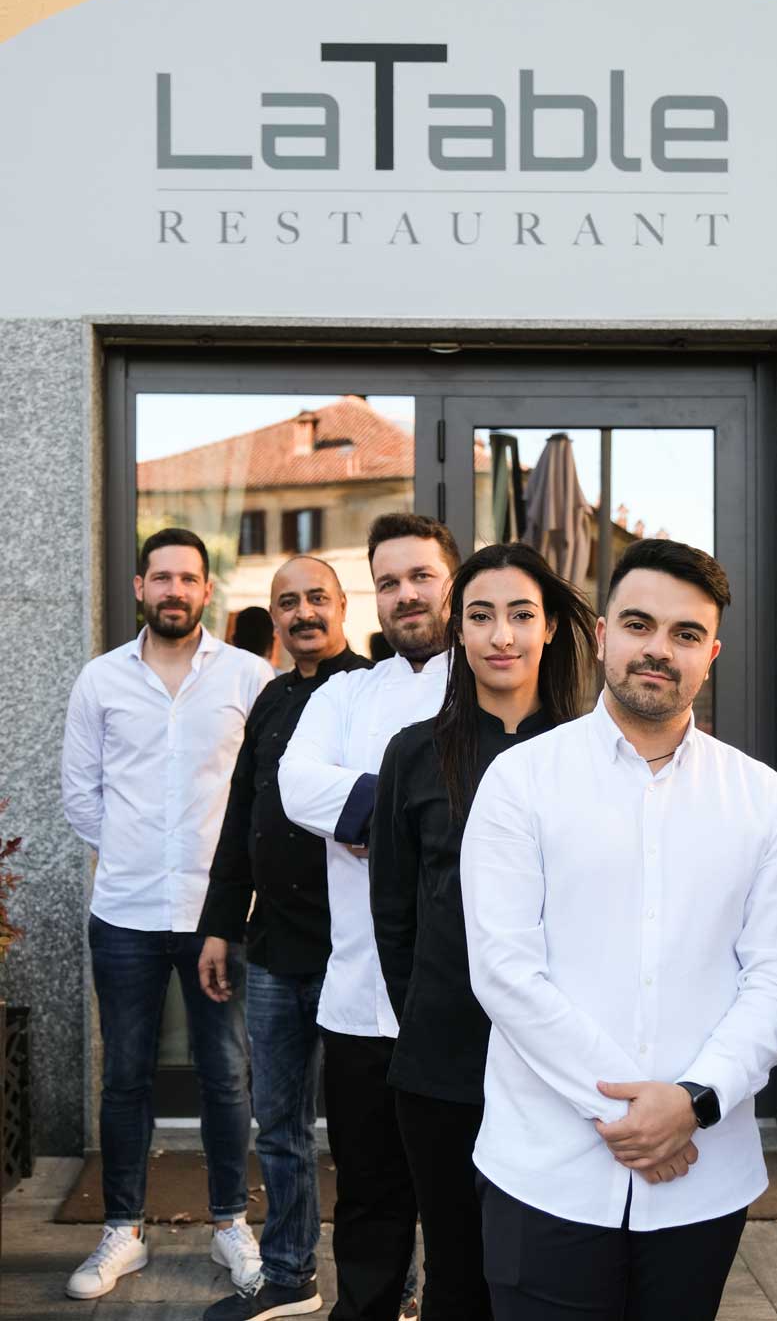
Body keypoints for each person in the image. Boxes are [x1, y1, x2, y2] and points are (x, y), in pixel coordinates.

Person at [460, 538, 777, 1321]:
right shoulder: (520, 782)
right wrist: (635, 1115)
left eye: (685, 634)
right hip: (546, 1171)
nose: (659, 649)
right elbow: (505, 972)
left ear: (711, 653)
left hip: (701, 1176)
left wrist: (693, 1100)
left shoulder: (762, 799)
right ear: (602, 630)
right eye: (640, 624)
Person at [369, 542, 597, 1321]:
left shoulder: (592, 757)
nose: (502, 634)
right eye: (481, 615)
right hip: (442, 1068)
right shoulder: (412, 756)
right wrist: (430, 1020)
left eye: (522, 615)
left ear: (553, 630)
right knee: (458, 1282)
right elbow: (393, 920)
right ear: (457, 633)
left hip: (562, 1070)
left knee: (546, 1283)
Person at [61, 528, 273, 1302]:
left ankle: (229, 1224)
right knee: (124, 1076)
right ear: (140, 587)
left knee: (225, 1074)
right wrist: (130, 851)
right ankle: (123, 1231)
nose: (174, 590)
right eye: (161, 578)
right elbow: (80, 792)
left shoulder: (250, 676)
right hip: (124, 913)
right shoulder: (101, 681)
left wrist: (232, 882)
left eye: (188, 578)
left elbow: (264, 794)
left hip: (220, 916)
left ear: (207, 590)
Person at [278, 513, 460, 1321]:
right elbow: (296, 784)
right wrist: (404, 819)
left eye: (421, 575)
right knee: (366, 1201)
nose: (406, 594)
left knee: (464, 1209)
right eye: (389, 582)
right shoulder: (346, 693)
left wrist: (379, 823)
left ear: (452, 581)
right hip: (358, 1001)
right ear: (374, 599)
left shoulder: (492, 683)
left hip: (465, 1004)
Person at [196, 556, 372, 1321]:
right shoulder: (269, 702)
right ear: (273, 617)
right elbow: (241, 823)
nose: (303, 613)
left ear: (341, 606)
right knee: (282, 1127)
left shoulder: (374, 689)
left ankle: (388, 1287)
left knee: (373, 1135)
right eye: (287, 602)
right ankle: (292, 1275)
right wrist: (217, 927)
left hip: (361, 952)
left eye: (317, 599)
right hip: (274, 951)